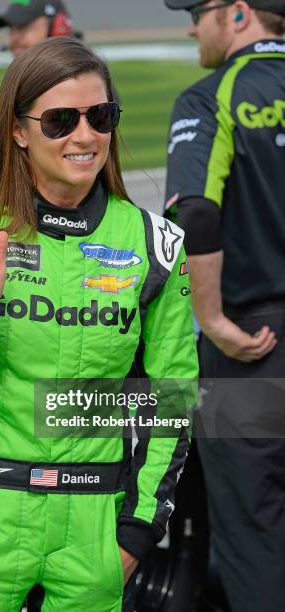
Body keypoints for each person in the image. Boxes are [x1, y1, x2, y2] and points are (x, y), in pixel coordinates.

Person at [0, 38, 198, 611]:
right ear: (18, 130)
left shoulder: (157, 246)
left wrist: (137, 531)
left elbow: (171, 397)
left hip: (94, 528)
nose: (85, 137)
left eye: (100, 116)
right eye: (60, 120)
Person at [163, 1, 285, 610]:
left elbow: (197, 212)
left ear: (238, 13)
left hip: (253, 346)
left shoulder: (211, 97)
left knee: (254, 530)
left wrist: (210, 319)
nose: (191, 26)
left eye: (198, 11)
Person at [0, 0, 76, 169]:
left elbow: (72, 148)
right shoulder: (0, 90)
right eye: (12, 29)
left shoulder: (88, 84)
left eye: (23, 27)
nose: (14, 38)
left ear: (58, 28)